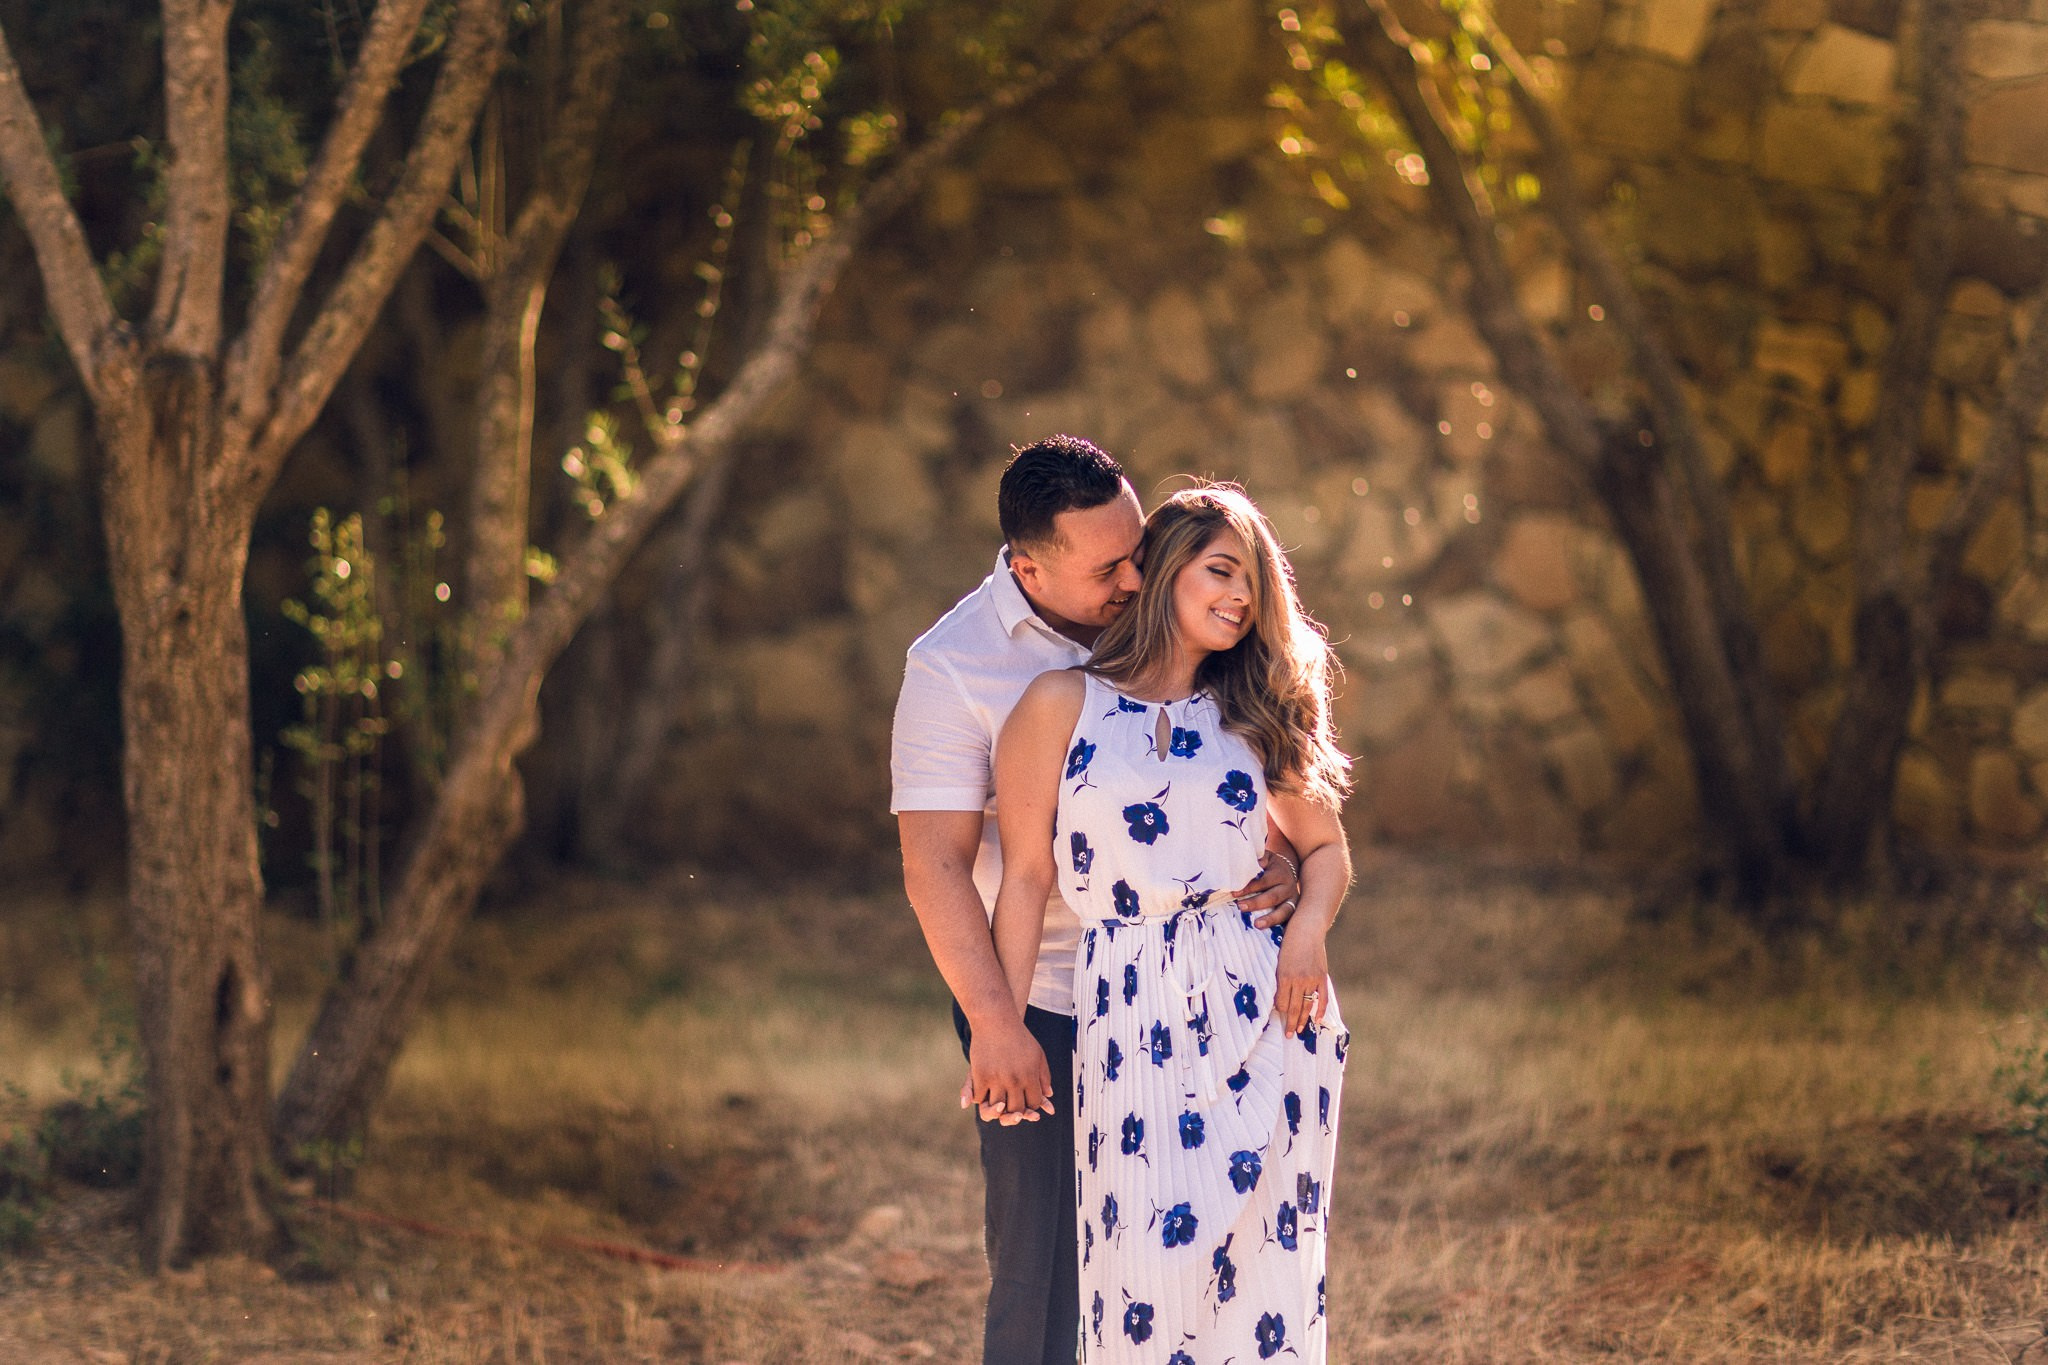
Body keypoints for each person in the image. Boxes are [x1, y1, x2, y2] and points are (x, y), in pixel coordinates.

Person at [891, 439, 1302, 1365]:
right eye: (1108, 567)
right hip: (1032, 995)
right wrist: (995, 1021)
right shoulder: (955, 667)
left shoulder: (1170, 628)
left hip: (1180, 997)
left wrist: (1280, 862)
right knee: (1041, 1261)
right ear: (1029, 568)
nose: (1134, 577)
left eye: (1139, 551)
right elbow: (936, 867)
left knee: (1180, 1253)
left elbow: (1226, 773)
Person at [989, 485, 1352, 1364]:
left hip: (1266, 1007)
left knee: (1262, 1278)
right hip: (1127, 1012)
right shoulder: (1058, 704)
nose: (1240, 596)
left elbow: (1327, 850)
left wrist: (1305, 934)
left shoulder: (1252, 714)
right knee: (1138, 1274)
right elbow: (1027, 879)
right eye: (1222, 570)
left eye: (1254, 584)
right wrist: (998, 1028)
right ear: (1162, 572)